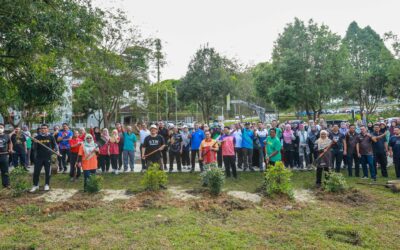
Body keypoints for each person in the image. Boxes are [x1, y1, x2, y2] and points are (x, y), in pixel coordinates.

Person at [30, 124, 59, 192]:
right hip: (38, 157)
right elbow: (33, 148)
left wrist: (57, 151)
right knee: (36, 172)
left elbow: (55, 145)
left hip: (48, 157)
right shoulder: (37, 137)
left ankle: (47, 185)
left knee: (47, 172)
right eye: (42, 128)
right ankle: (35, 185)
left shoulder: (51, 137)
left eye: (45, 128)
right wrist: (35, 143)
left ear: (47, 129)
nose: (43, 129)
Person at [0, 124, 11, 188]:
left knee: (5, 171)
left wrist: (10, 149)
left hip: (4, 155)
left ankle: (6, 184)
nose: (0, 129)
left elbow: (10, 143)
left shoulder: (7, 136)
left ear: (4, 128)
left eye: (1, 127)